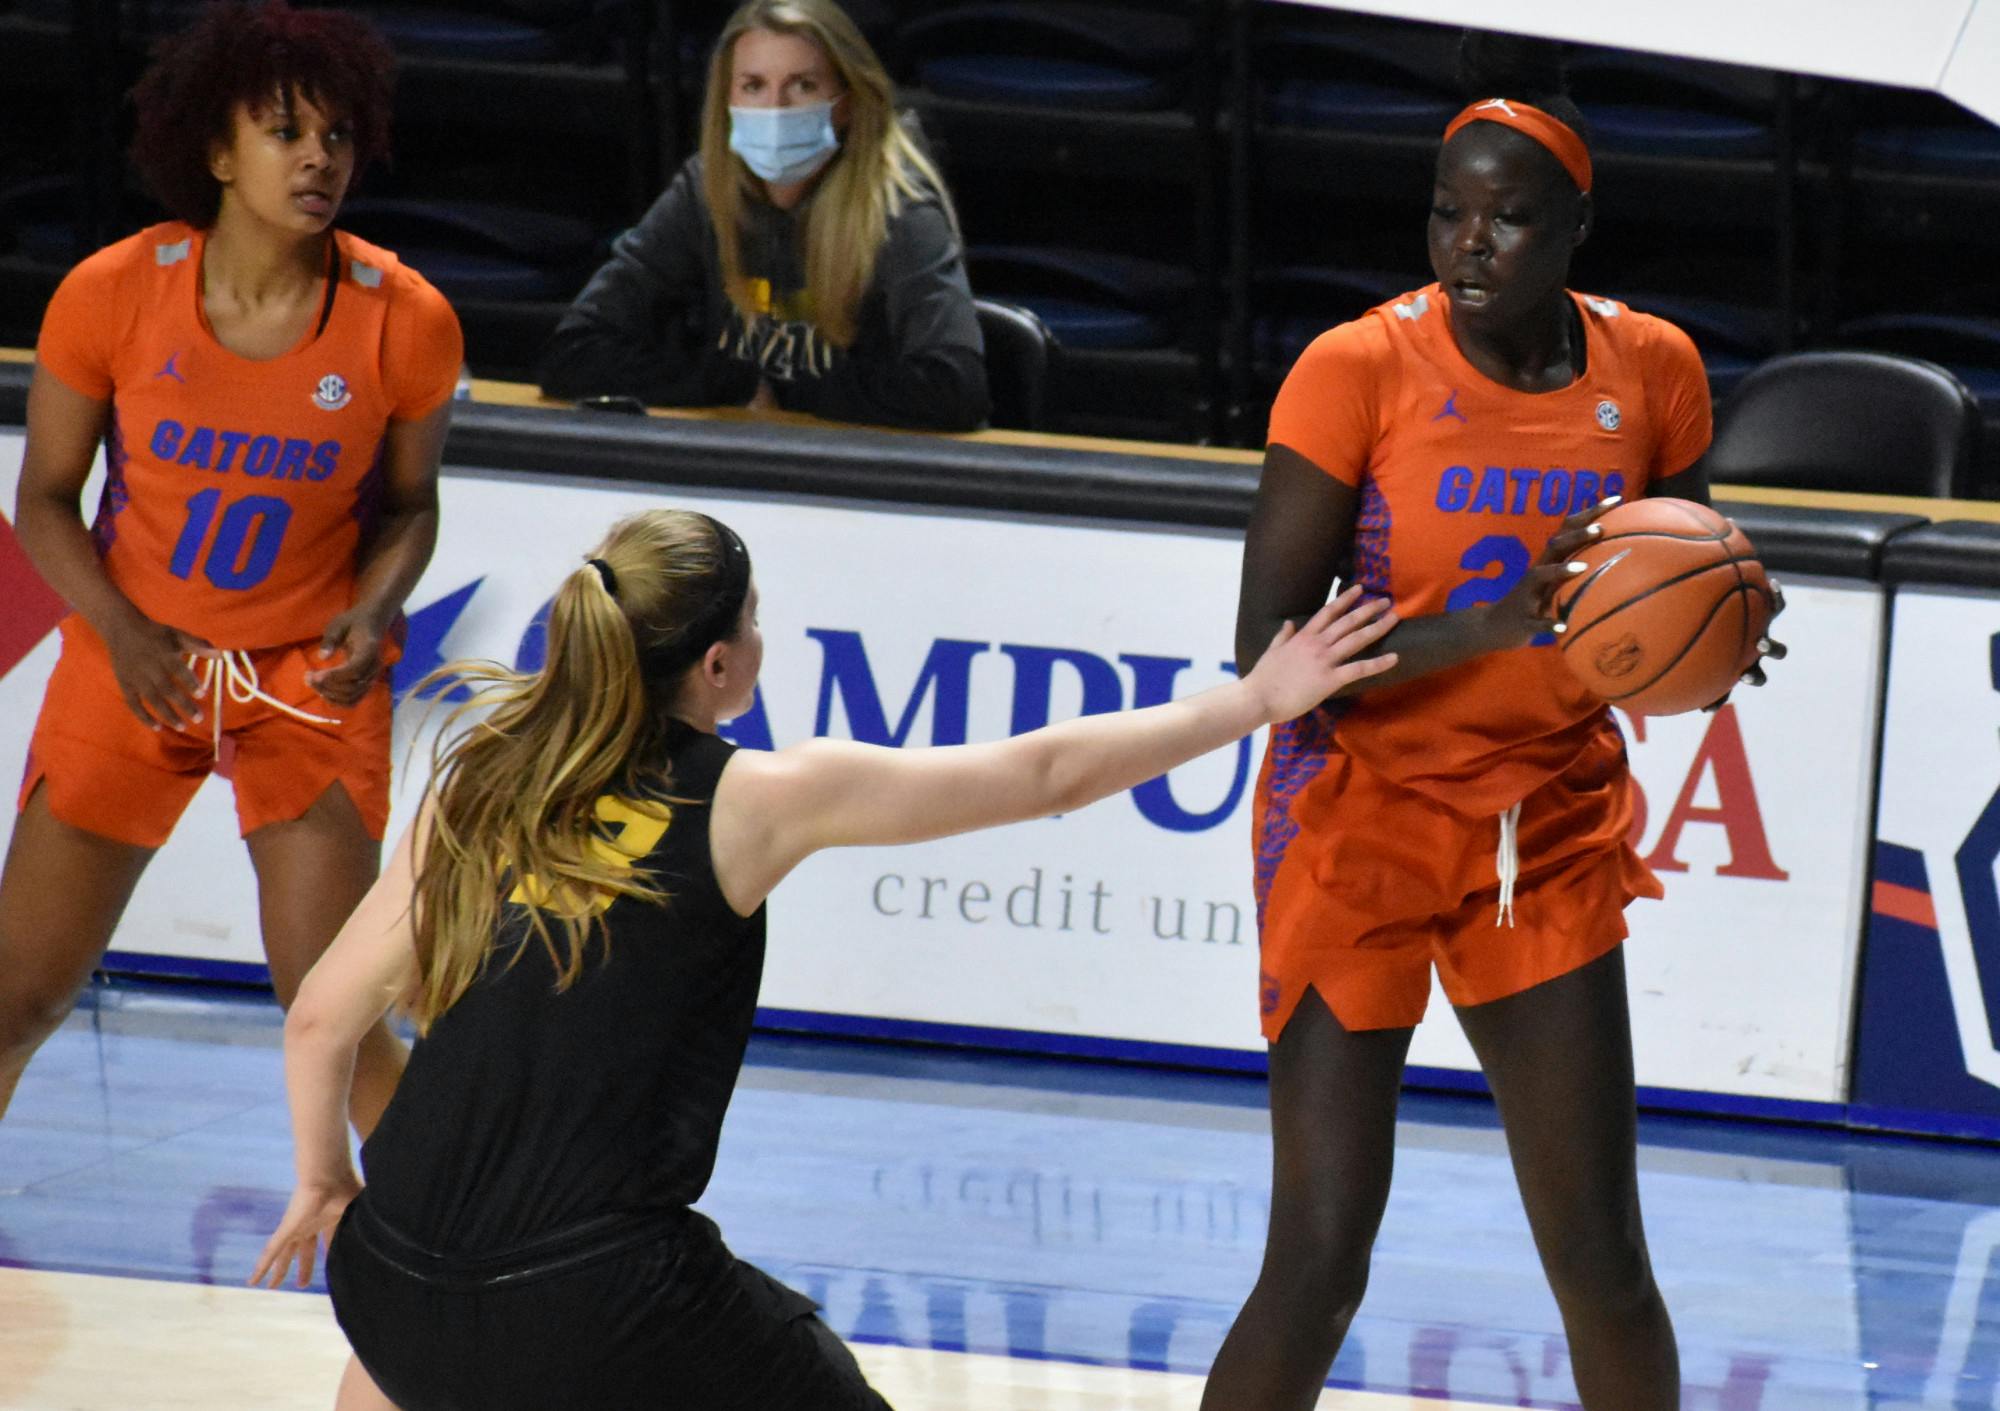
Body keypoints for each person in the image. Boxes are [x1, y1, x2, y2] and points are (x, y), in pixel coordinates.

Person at [248, 508, 1398, 1411]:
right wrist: (1256, 698)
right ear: (714, 665)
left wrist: (325, 1182)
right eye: (753, 620)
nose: (761, 639)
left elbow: (320, 1021)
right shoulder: (752, 799)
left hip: (388, 1272)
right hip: (593, 1301)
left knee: (428, 1361)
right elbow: (1042, 774)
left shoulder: (475, 782)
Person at [1207, 40, 1783, 1411]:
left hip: (1547, 822)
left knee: (1603, 1262)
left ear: (1576, 227)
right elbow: (1267, 655)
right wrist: (1491, 624)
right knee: (1321, 1261)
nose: (1471, 243)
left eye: (1510, 216)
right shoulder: (1355, 367)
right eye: (1448, 211)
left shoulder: (1653, 366)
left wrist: (1721, 635)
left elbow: (1672, 570)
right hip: (1359, 815)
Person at [0, 0, 463, 1131]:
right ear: (215, 150)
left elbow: (409, 505)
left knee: (336, 1018)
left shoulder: (405, 317)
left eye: (339, 135)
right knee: (17, 997)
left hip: (301, 681)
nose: (320, 156)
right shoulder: (111, 292)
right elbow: (45, 504)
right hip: (136, 658)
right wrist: (121, 631)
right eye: (286, 131)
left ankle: (455, 1282)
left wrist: (374, 607)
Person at [536, 0, 990, 431]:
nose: (776, 108)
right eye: (754, 86)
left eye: (803, 85)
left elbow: (954, 387)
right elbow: (572, 353)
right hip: (746, 454)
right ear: (727, 103)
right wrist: (734, 385)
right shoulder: (706, 188)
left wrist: (786, 393)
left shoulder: (897, 206)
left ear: (847, 102)